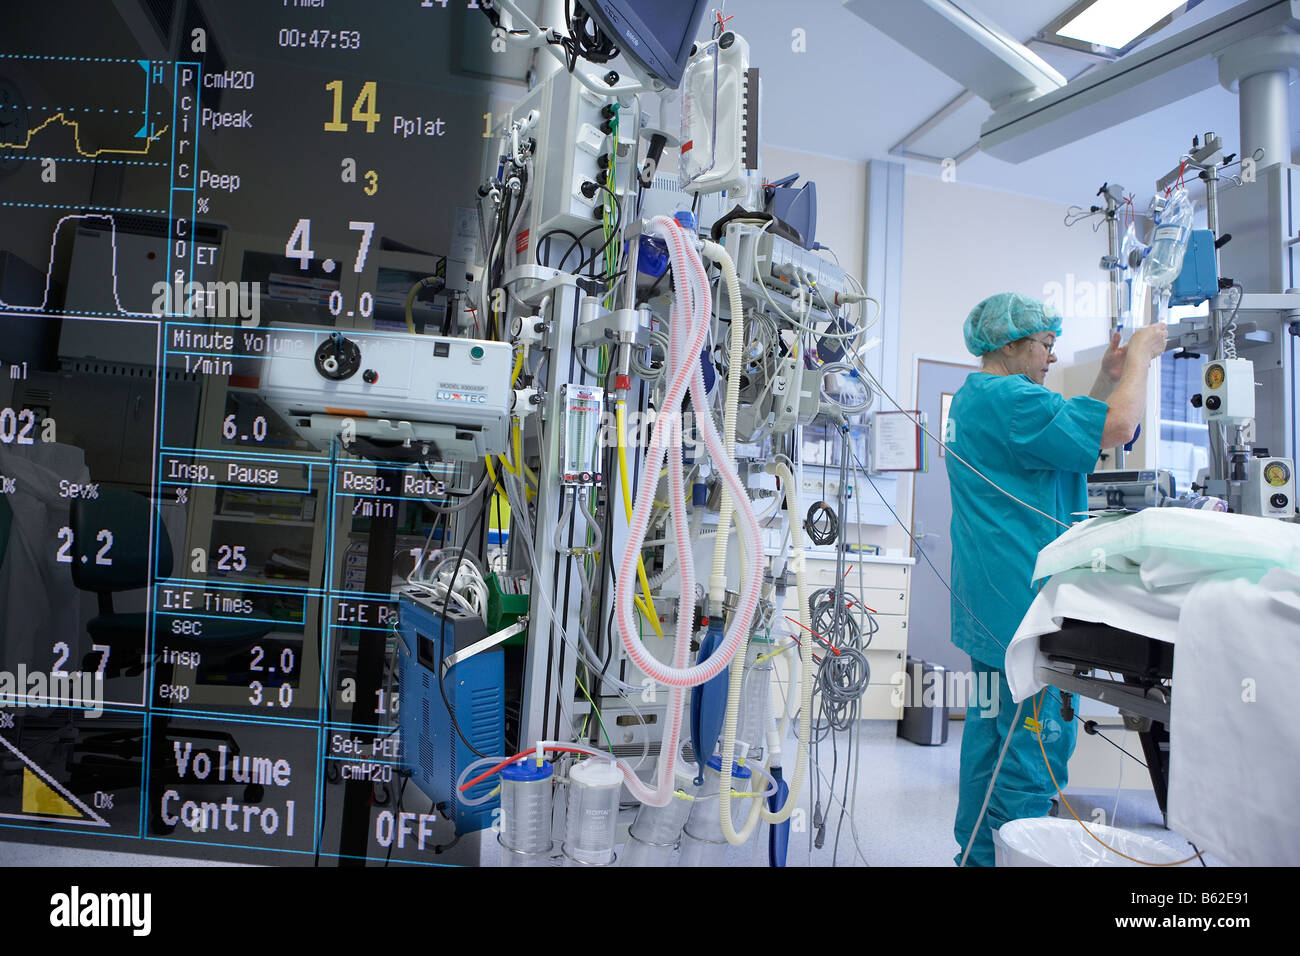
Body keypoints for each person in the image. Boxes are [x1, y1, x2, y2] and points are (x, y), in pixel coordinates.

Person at [945, 292, 1167, 866]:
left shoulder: (979, 401)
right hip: (1025, 606)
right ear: (1013, 343)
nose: (1050, 355)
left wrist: (1105, 377)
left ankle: (973, 857)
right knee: (1034, 746)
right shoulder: (1014, 401)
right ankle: (1008, 857)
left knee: (992, 735)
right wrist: (1142, 356)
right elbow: (1117, 426)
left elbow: (1066, 440)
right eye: (1045, 344)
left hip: (989, 608)